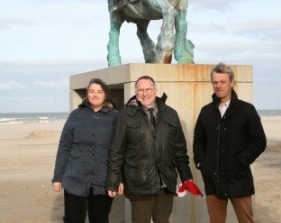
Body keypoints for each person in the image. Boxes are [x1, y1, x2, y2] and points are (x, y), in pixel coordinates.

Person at [106, 75, 193, 223]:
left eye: (148, 89)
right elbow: (116, 152)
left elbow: (179, 149)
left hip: (166, 182)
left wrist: (186, 176)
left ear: (156, 91)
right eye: (140, 90)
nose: (145, 93)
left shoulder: (171, 114)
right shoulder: (124, 116)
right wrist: (114, 181)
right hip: (139, 183)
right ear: (136, 92)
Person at [193, 63, 267, 223]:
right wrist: (201, 163)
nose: (218, 86)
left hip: (238, 177)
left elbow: (259, 141)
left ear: (232, 83)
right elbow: (199, 140)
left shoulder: (246, 110)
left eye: (222, 82)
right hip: (213, 178)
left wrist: (241, 161)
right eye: (215, 82)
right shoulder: (206, 111)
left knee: (246, 220)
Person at [52, 78, 123, 223]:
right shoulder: (75, 115)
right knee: (73, 219)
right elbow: (64, 147)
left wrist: (119, 179)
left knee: (100, 219)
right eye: (91, 91)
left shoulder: (116, 117)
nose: (95, 95)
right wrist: (57, 177)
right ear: (86, 94)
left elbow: (120, 150)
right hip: (75, 178)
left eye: (99, 91)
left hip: (103, 180)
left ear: (105, 95)